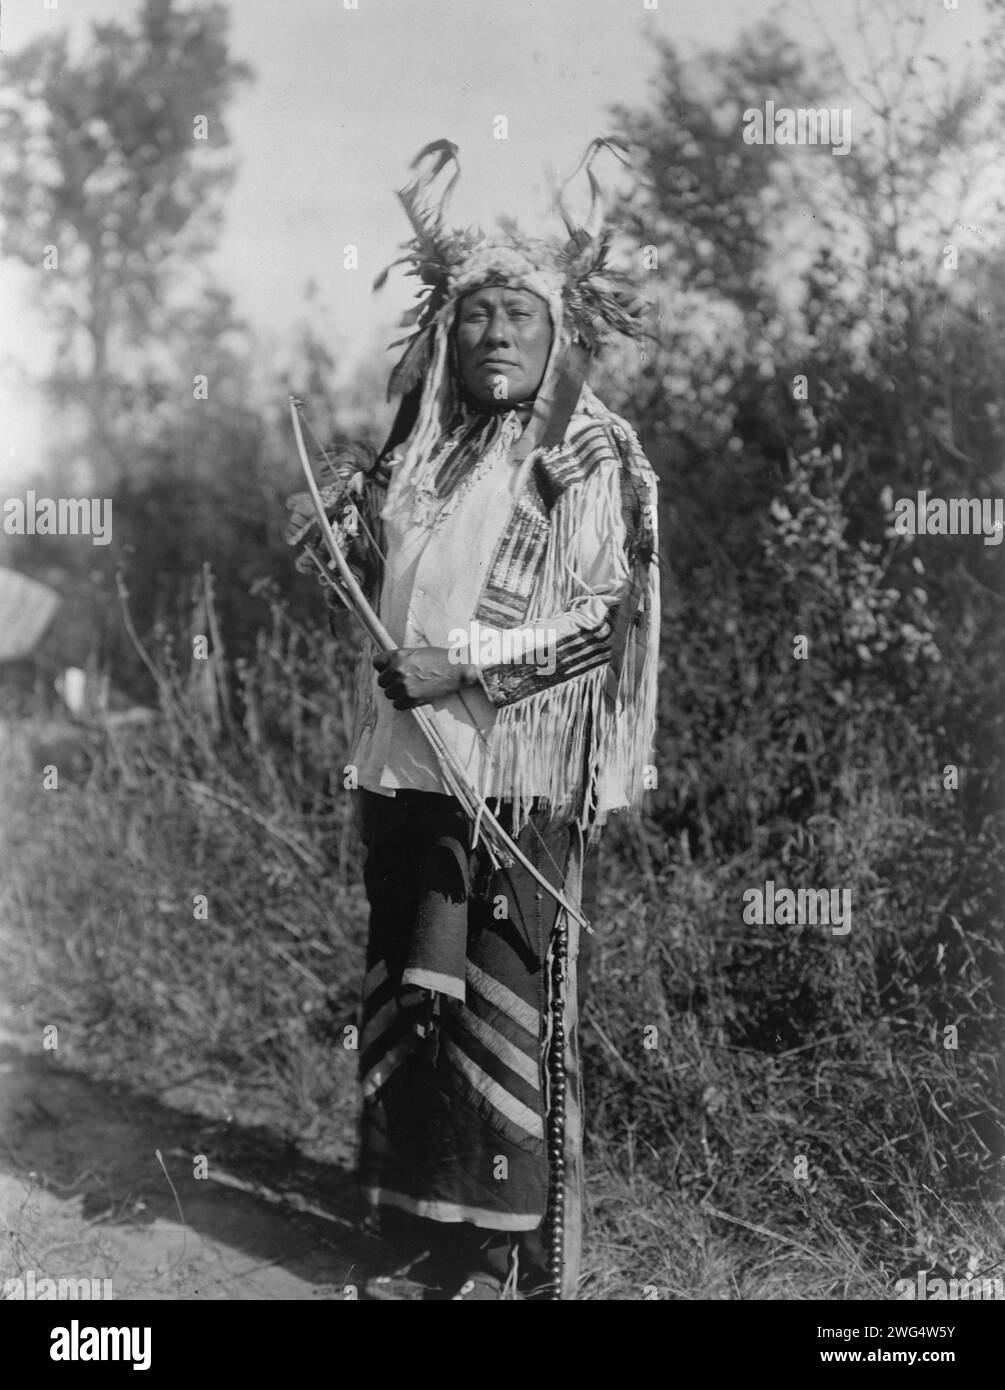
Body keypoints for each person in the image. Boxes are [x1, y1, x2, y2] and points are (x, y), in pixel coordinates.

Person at [287, 140, 660, 1300]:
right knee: (411, 1001)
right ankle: (418, 1236)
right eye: (479, 317)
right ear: (448, 333)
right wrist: (341, 538)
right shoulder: (422, 453)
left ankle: (496, 1261)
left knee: (496, 1008)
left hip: (514, 783)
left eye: (519, 318)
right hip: (409, 772)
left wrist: (463, 665)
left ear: (558, 340)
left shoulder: (586, 453)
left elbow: (607, 621)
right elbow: (394, 590)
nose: (496, 335)